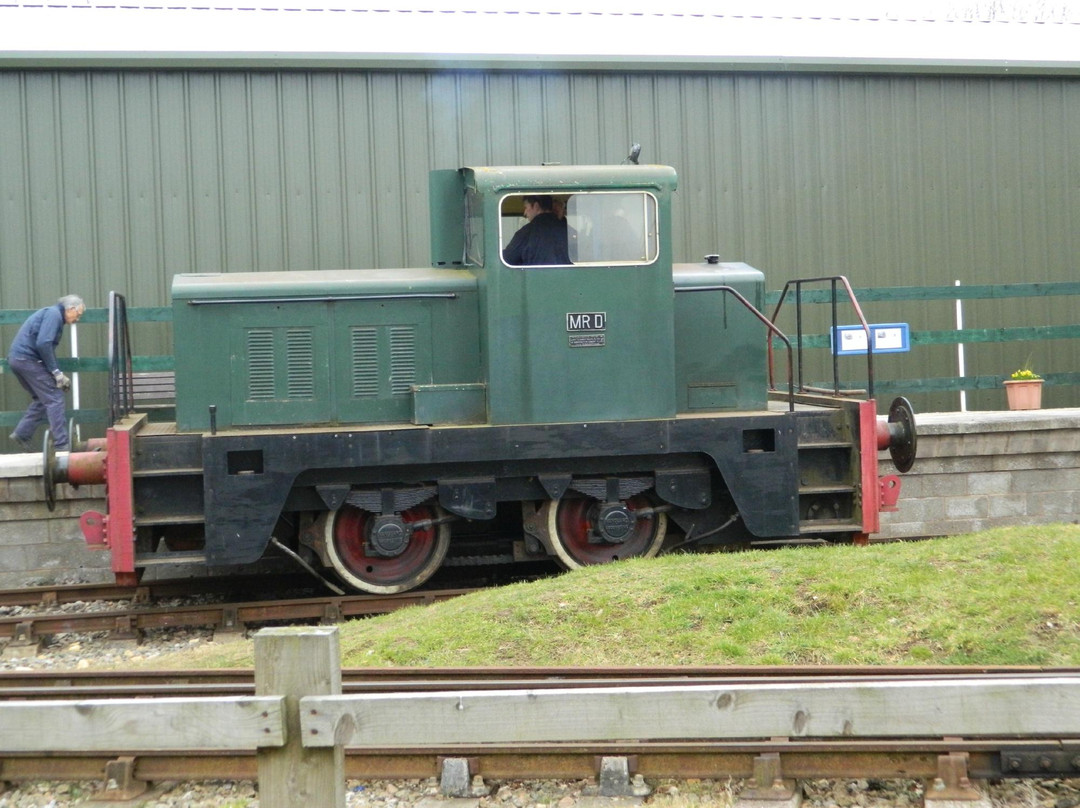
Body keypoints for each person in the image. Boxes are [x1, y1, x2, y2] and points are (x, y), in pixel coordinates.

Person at [7, 295, 85, 452]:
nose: (78, 318)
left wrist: (58, 374)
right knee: (55, 398)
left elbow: (44, 346)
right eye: (78, 314)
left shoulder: (52, 314)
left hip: (18, 359)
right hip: (27, 359)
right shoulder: (54, 315)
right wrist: (56, 373)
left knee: (42, 399)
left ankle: (22, 433)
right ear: (70, 308)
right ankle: (62, 445)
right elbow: (43, 344)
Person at [502, 195, 571, 266]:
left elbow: (507, 259)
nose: (525, 213)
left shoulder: (526, 233)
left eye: (526, 207)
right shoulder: (570, 232)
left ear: (536, 206)